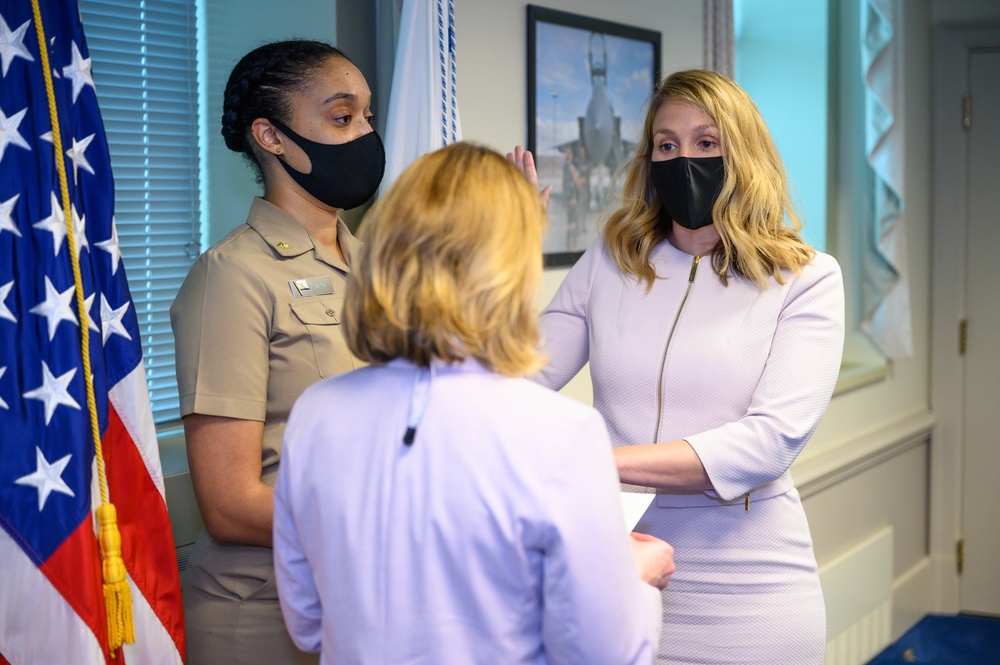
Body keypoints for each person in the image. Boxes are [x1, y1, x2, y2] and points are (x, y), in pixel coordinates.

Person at [272, 142, 675, 664]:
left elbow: (307, 623)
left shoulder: (317, 413)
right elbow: (604, 655)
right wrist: (635, 579)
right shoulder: (560, 433)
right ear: (511, 271)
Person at [529, 69, 845, 663]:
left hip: (749, 590)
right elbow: (516, 377)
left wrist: (589, 460)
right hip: (620, 569)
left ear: (743, 153)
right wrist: (506, 253)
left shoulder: (805, 278)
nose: (684, 159)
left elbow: (767, 443)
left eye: (706, 142)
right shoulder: (611, 259)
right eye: (666, 145)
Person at [170, 39, 384, 665]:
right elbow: (229, 503)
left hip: (365, 604)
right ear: (272, 137)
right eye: (342, 118)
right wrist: (389, 524)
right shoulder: (231, 276)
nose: (365, 134)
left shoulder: (381, 267)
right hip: (264, 614)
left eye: (368, 117)